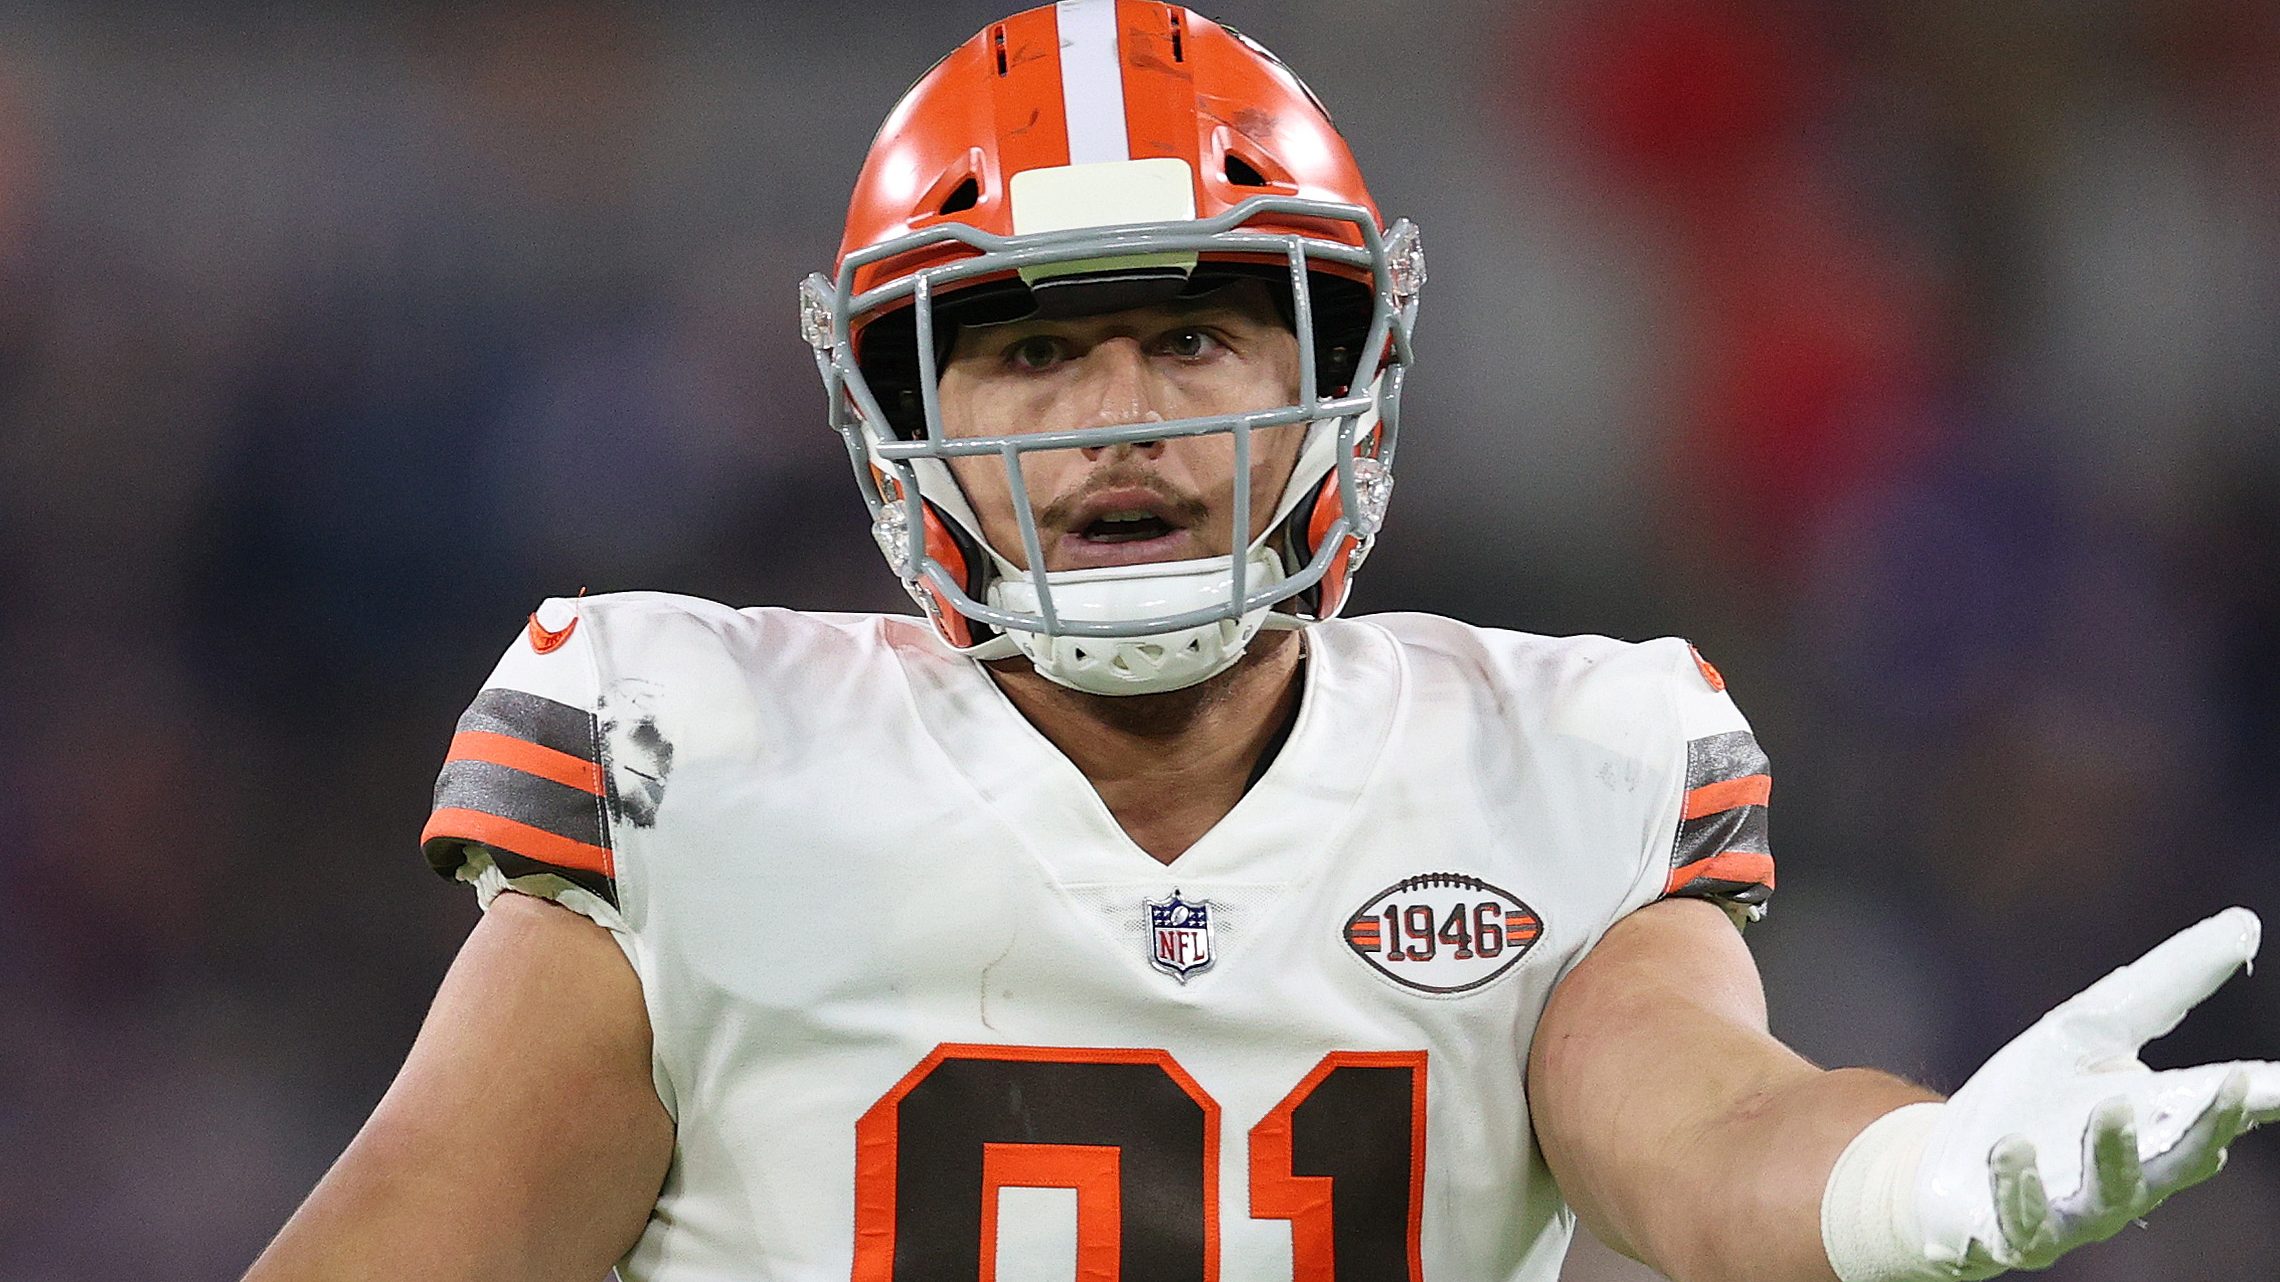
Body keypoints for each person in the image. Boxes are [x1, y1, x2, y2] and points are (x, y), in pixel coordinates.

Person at [244, 5, 2278, 1280]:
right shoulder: (702, 753)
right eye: (1034, 347)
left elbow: (1714, 1122)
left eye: (1196, 330)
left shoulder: (1556, 751)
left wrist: (1908, 1179)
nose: (1124, 409)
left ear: (1345, 378)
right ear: (898, 413)